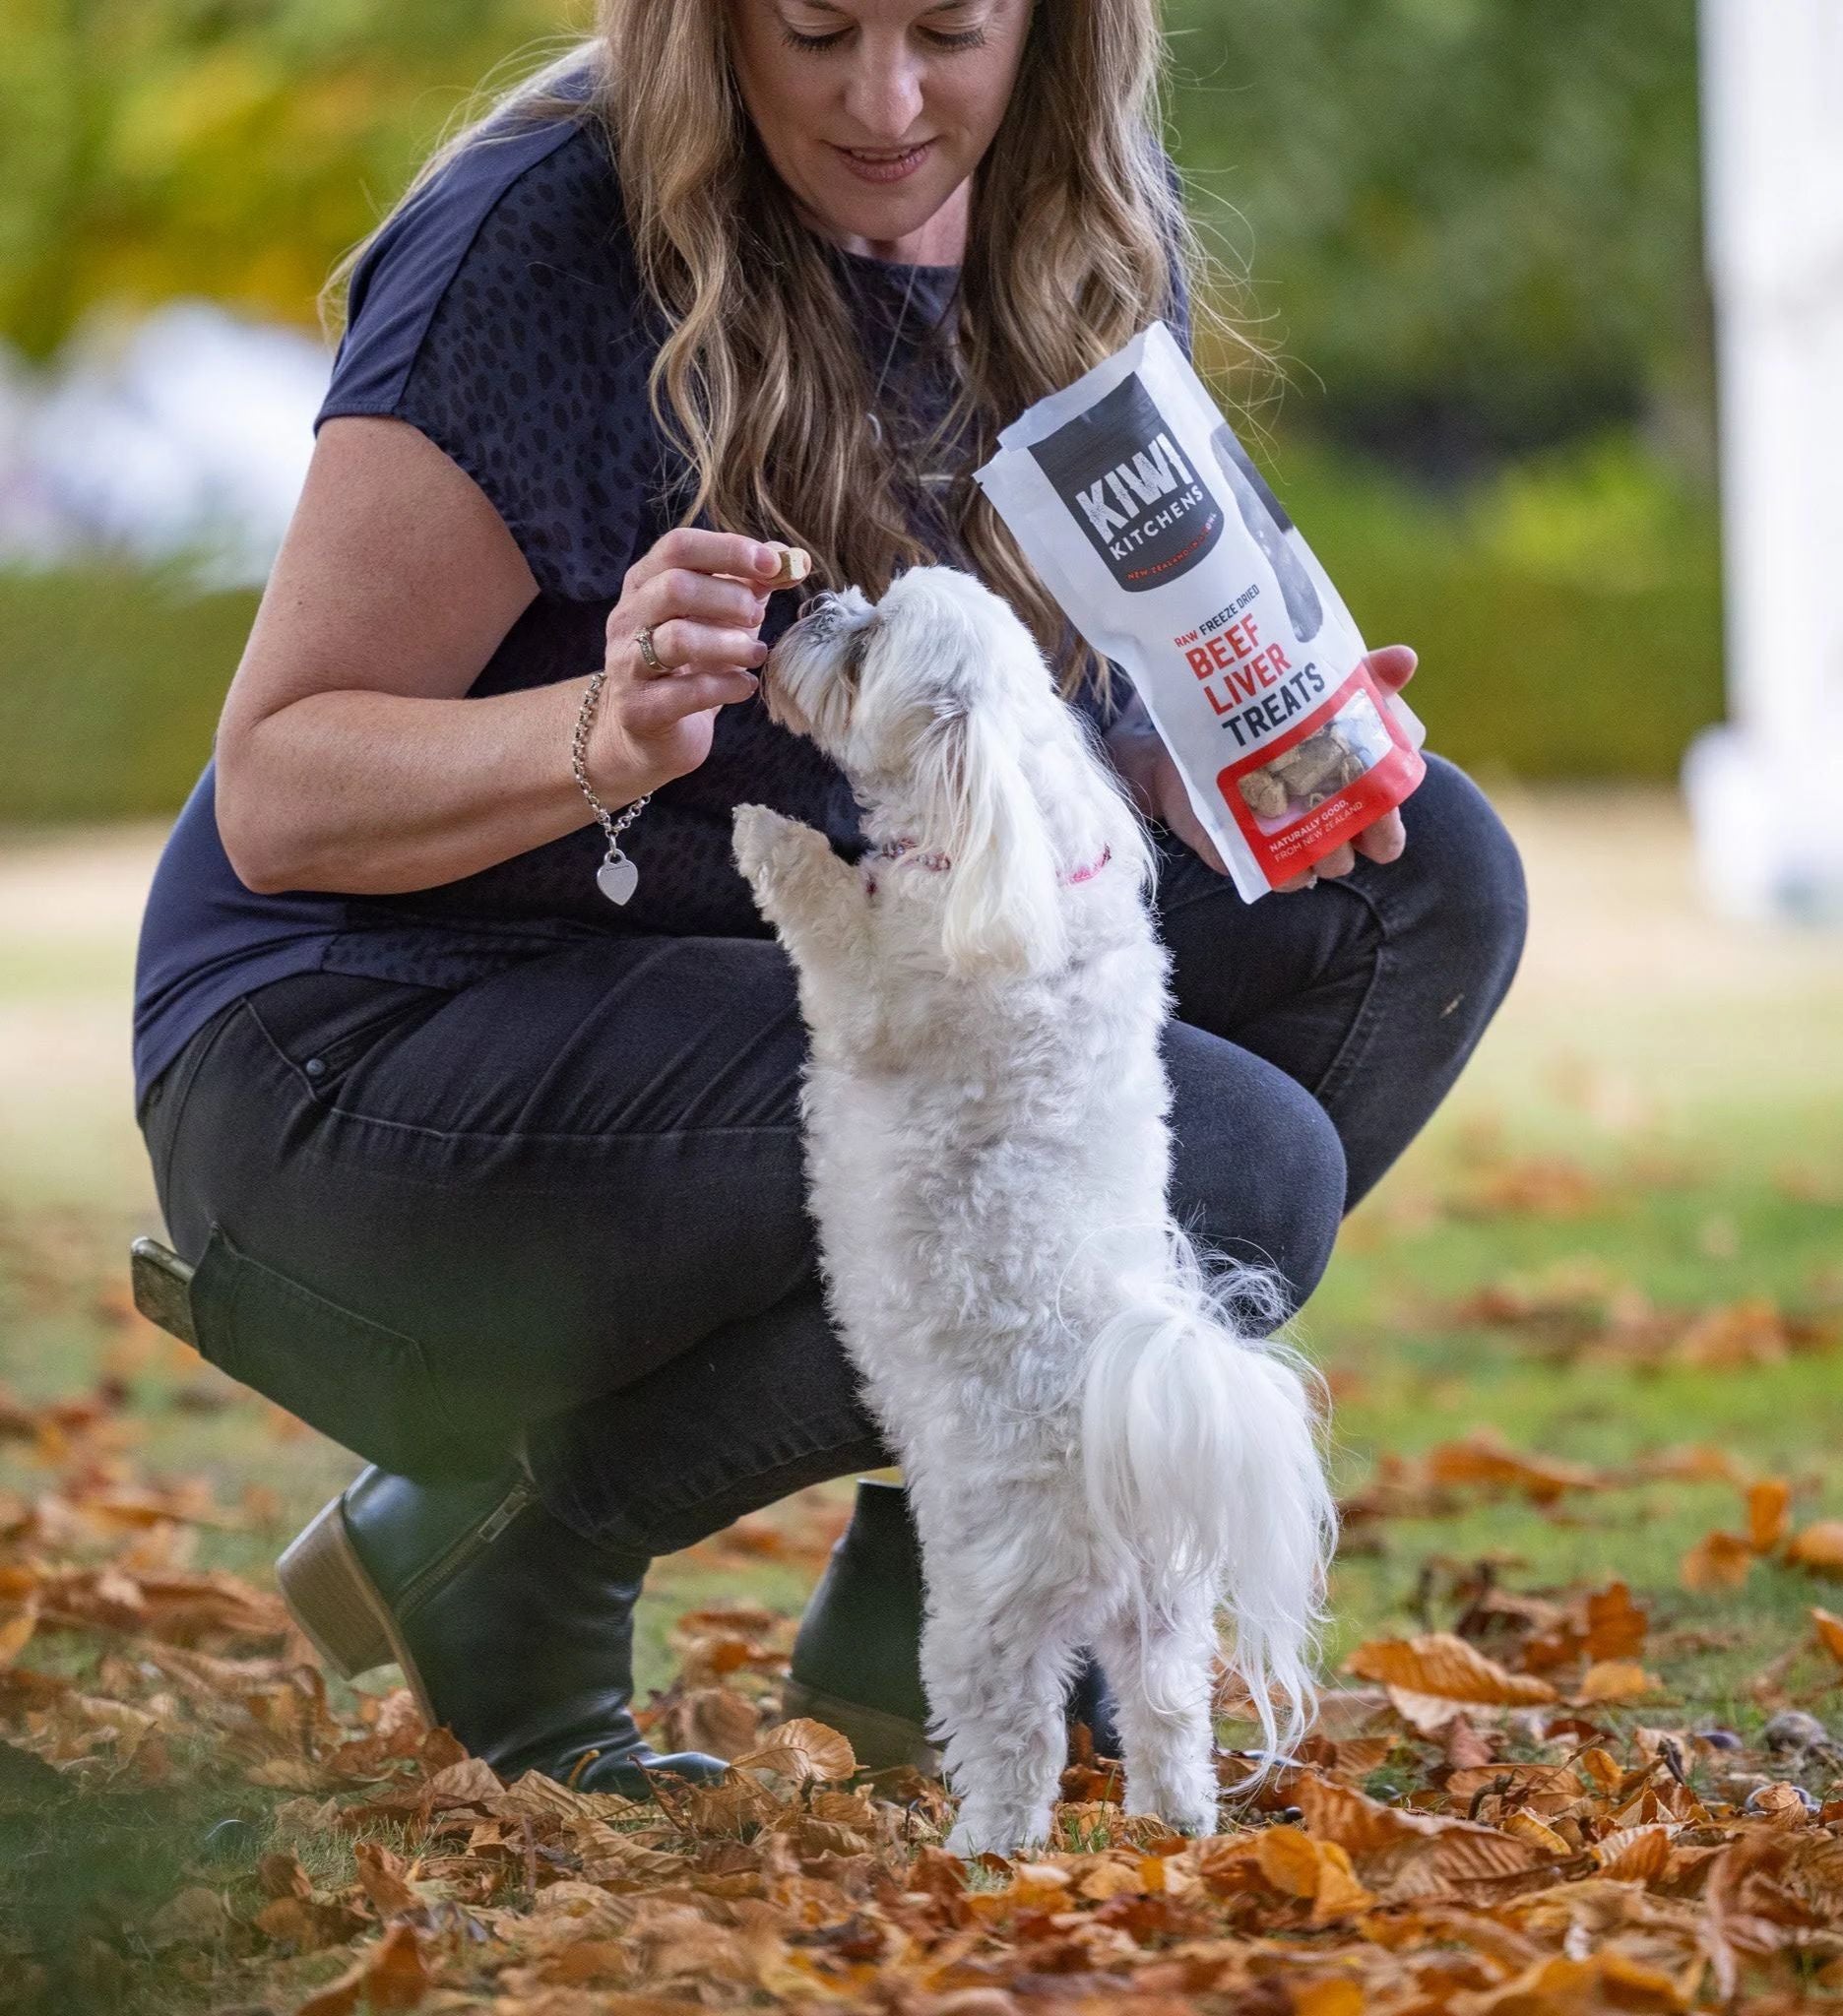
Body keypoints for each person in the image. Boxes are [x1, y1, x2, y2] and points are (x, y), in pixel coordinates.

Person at [133, 0, 1526, 1796]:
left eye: (950, 30)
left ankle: (943, 1589)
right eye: (812, 31)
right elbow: (280, 789)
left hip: (753, 962)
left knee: (1423, 892)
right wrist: (602, 727)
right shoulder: (544, 240)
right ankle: (516, 1555)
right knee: (1230, 1166)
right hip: (360, 1057)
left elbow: (1033, 702)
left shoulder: (1080, 218)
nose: (886, 103)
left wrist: (1174, 742)